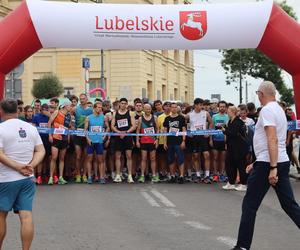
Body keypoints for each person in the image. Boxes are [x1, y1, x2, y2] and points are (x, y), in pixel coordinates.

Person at [232, 81, 300, 250]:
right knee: (289, 205)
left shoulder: (268, 110)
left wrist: (272, 167)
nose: (257, 97)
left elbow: (272, 138)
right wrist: (257, 162)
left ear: (261, 94)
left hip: (270, 164)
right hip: (276, 161)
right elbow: (274, 139)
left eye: (257, 93)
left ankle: (242, 246)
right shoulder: (278, 109)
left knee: (250, 205)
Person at [0, 99, 45, 250]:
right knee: (26, 216)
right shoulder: (30, 128)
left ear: (1, 111)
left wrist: (18, 167)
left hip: (5, 179)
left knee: (1, 216)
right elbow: (41, 150)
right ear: (18, 111)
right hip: (27, 179)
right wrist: (30, 165)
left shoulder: (1, 128)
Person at [186, 98, 213, 184]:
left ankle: (207, 175)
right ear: (195, 105)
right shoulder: (189, 115)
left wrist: (208, 132)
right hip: (194, 138)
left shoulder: (206, 113)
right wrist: (189, 132)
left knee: (207, 155)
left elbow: (211, 123)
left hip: (203, 136)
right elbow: (185, 124)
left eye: (202, 105)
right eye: (200, 105)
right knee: (196, 156)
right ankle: (198, 175)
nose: (202, 106)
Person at [222, 106, 248, 191]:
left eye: (228, 110)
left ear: (233, 111)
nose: (227, 112)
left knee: (241, 165)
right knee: (229, 164)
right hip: (231, 146)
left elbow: (232, 133)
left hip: (239, 147)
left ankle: (243, 184)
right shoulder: (229, 121)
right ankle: (231, 182)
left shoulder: (238, 121)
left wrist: (224, 130)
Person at [111, 98, 136, 183]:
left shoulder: (130, 113)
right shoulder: (115, 113)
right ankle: (118, 175)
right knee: (118, 156)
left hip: (127, 136)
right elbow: (112, 126)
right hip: (118, 137)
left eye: (125, 103)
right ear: (119, 104)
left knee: (129, 156)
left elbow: (133, 126)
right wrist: (118, 132)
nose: (123, 105)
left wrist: (126, 132)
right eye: (122, 103)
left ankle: (129, 176)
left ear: (127, 104)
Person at [48, 101, 72, 185]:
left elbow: (68, 127)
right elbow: (49, 123)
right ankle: (51, 177)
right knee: (54, 157)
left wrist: (68, 137)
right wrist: (50, 135)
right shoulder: (57, 112)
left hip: (64, 138)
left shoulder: (69, 116)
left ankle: (61, 177)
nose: (71, 107)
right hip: (55, 137)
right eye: (69, 106)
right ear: (65, 106)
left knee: (62, 158)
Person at [85, 102, 109, 184]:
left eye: (101, 107)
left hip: (99, 141)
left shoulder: (104, 117)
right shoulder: (88, 118)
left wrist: (104, 136)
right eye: (98, 107)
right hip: (91, 141)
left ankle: (101, 177)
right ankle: (89, 177)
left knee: (100, 160)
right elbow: (85, 130)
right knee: (89, 159)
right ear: (94, 108)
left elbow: (108, 127)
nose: (100, 109)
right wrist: (88, 138)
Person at [163, 102, 186, 184]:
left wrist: (183, 141)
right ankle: (172, 176)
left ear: (177, 108)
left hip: (179, 142)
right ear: (170, 108)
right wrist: (165, 142)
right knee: (170, 159)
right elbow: (165, 131)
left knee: (180, 159)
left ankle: (181, 176)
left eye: (175, 107)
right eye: (172, 107)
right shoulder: (167, 119)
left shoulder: (181, 118)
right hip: (170, 142)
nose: (174, 109)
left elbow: (184, 130)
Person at [136, 103, 159, 183]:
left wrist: (157, 139)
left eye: (149, 109)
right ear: (143, 109)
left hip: (152, 141)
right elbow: (138, 130)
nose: (148, 110)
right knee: (143, 159)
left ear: (151, 109)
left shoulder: (154, 117)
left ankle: (153, 175)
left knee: (153, 159)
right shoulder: (140, 119)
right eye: (146, 109)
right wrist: (137, 141)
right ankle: (142, 175)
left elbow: (157, 129)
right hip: (143, 141)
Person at [74, 93, 93, 183]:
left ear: (86, 99)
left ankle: (84, 174)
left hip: (86, 135)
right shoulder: (76, 109)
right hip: (77, 134)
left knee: (86, 156)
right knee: (78, 156)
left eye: (83, 99)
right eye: (80, 99)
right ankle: (78, 174)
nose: (82, 100)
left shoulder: (91, 110)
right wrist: (71, 126)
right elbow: (70, 118)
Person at [32, 103, 51, 185]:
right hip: (39, 140)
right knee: (40, 158)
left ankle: (45, 174)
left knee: (48, 158)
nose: (45, 111)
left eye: (47, 109)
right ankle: (39, 176)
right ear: (41, 109)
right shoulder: (36, 116)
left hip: (48, 139)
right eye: (44, 109)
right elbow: (33, 127)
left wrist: (50, 115)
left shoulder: (50, 116)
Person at [211, 101, 229, 182]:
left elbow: (228, 129)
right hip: (215, 139)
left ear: (226, 107)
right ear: (218, 107)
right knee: (215, 158)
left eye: (223, 106)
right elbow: (211, 128)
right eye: (220, 106)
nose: (222, 108)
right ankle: (215, 174)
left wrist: (227, 141)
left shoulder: (228, 117)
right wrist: (210, 139)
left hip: (224, 140)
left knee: (222, 158)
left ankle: (221, 174)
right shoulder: (214, 116)